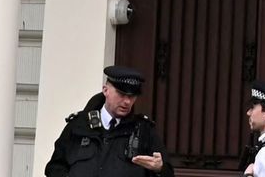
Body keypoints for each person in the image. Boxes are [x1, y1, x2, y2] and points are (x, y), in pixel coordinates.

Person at [44, 65, 175, 177]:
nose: (127, 101)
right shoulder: (79, 125)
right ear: (105, 90)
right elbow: (54, 167)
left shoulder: (144, 130)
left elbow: (168, 172)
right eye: (121, 94)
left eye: (132, 96)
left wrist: (160, 169)